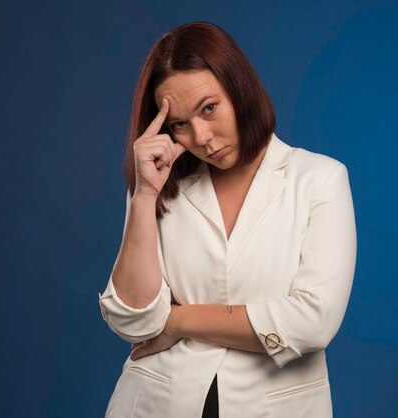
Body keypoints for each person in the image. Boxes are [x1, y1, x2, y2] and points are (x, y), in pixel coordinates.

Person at [98, 21, 356, 418]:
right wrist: (145, 195)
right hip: (156, 404)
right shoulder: (160, 186)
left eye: (209, 108)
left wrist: (178, 321)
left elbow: (312, 322)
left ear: (239, 89)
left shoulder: (319, 179)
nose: (201, 137)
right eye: (179, 124)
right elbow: (133, 323)